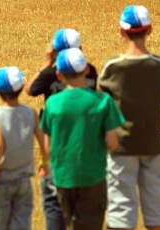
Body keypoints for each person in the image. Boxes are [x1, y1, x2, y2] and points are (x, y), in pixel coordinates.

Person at [99, 6, 160, 230]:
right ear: (149, 30)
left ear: (121, 32)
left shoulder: (112, 67)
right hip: (152, 144)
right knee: (156, 207)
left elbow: (102, 100)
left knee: (121, 208)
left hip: (121, 146)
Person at [40, 48, 125, 230]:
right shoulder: (102, 101)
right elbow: (112, 142)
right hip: (92, 175)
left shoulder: (52, 103)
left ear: (59, 75)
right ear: (87, 70)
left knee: (70, 223)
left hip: (63, 176)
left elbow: (47, 146)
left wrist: (47, 163)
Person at [26, 29, 98, 230]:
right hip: (85, 143)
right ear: (80, 50)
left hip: (57, 139)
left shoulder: (51, 73)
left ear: (55, 52)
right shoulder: (90, 71)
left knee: (55, 208)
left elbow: (30, 89)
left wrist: (46, 63)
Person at [0, 66, 49, 230]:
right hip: (24, 180)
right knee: (22, 224)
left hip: (2, 180)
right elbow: (43, 141)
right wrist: (45, 162)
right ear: (21, 88)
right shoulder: (30, 113)